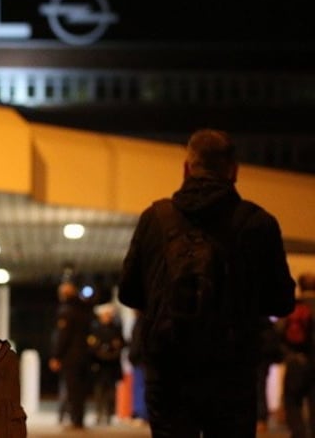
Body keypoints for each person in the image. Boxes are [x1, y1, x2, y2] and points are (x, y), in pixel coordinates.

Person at [118, 128, 296, 437]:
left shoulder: (156, 219)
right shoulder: (258, 223)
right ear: (234, 171)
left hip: (169, 371)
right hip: (232, 373)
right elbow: (281, 300)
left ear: (186, 168)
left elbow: (129, 291)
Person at [48, 281, 94, 430]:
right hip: (84, 355)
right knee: (80, 389)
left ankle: (76, 420)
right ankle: (79, 418)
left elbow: (63, 336)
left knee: (72, 389)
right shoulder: (84, 309)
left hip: (70, 356)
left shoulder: (66, 311)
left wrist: (56, 355)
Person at [280, 274, 315, 438]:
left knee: (292, 401)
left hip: (296, 360)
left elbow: (280, 332)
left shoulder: (295, 307)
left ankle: (298, 433)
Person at [88, 303, 125, 426]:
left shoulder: (116, 328)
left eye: (109, 315)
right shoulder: (95, 329)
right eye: (105, 315)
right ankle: (99, 413)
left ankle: (109, 414)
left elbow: (121, 344)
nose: (107, 317)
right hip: (99, 365)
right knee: (99, 391)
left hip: (111, 365)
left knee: (110, 392)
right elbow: (92, 346)